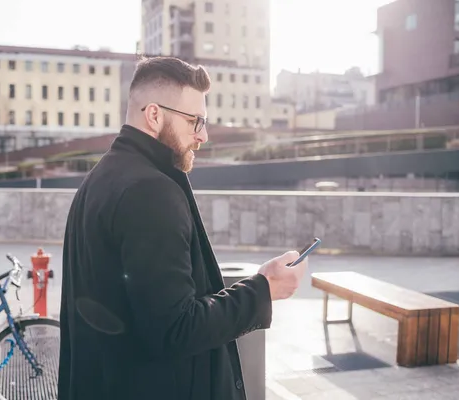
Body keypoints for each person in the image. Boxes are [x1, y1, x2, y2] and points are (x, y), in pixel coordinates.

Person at [57, 56, 308, 400]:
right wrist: (263, 290)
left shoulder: (100, 179)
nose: (203, 135)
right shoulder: (150, 191)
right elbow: (174, 329)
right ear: (154, 115)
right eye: (196, 121)